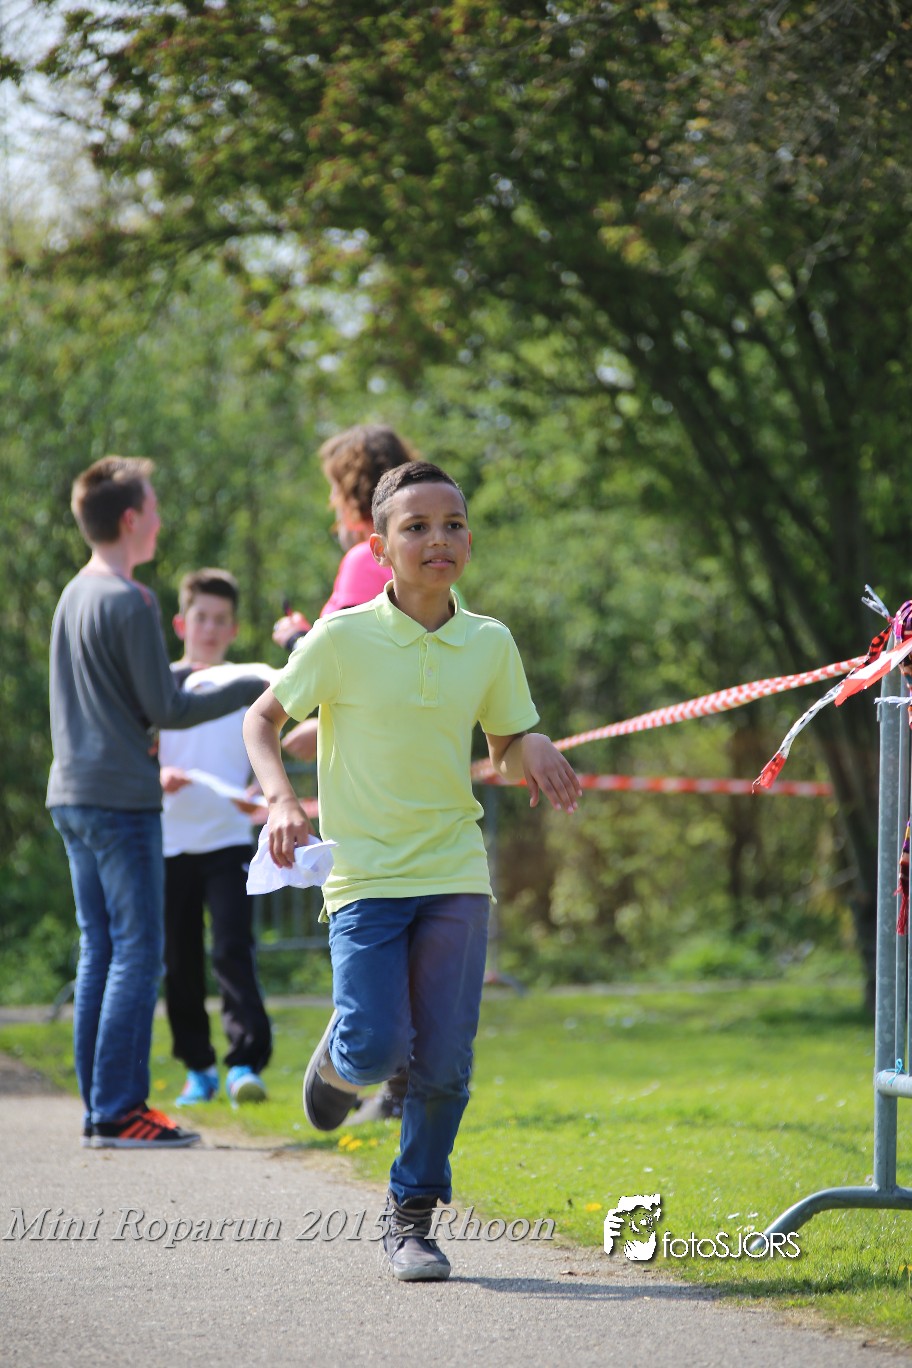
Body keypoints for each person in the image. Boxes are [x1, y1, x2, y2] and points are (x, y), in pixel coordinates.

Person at [243, 461, 581, 1281]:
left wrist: (531, 744)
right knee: (376, 1044)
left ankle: (412, 1217)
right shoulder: (341, 639)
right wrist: (282, 801)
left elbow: (504, 747)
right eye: (417, 526)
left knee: (446, 1061)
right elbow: (262, 719)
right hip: (363, 874)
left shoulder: (490, 642)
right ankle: (342, 1060)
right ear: (380, 547)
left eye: (454, 524)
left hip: (455, 869)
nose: (439, 539)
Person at [47, 457, 267, 1149]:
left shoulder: (74, 594)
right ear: (130, 519)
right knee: (139, 956)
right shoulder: (133, 599)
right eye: (154, 507)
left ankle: (100, 1110)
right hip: (120, 803)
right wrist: (260, 686)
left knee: (100, 950)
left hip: (71, 796)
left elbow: (128, 702)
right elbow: (168, 709)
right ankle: (120, 1112)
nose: (161, 519)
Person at [272, 422, 417, 1124]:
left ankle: (363, 1058)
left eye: (335, 488)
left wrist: (298, 642)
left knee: (383, 919)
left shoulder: (366, 559)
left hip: (368, 775)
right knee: (409, 923)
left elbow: (354, 658)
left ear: (352, 488)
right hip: (404, 763)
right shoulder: (411, 556)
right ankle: (396, 1082)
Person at [158, 568, 275, 1108]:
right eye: (201, 617)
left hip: (229, 841)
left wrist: (261, 788)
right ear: (182, 623)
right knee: (179, 960)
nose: (209, 628)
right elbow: (132, 750)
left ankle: (245, 1065)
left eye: (220, 620)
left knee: (232, 950)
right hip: (169, 843)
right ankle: (198, 1069)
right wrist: (157, 774)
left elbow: (271, 738)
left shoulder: (250, 682)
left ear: (233, 629)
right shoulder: (160, 683)